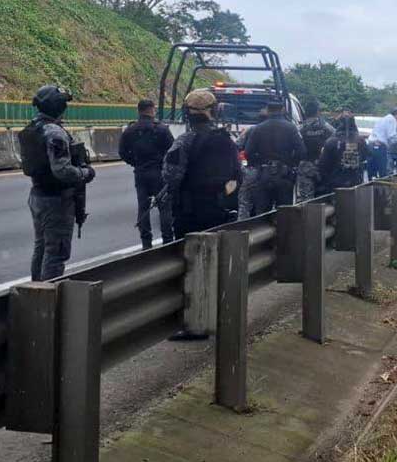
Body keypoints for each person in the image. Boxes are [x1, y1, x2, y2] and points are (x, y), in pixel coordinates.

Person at [160, 89, 240, 341]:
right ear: (213, 112)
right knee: (217, 264)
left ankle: (195, 322)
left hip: (191, 213)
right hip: (221, 211)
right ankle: (220, 315)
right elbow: (239, 174)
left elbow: (171, 176)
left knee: (192, 267)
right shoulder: (227, 140)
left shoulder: (185, 142)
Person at [18, 84, 96, 281]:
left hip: (37, 195)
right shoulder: (55, 133)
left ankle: (35, 291)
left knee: (42, 247)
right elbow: (62, 170)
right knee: (56, 252)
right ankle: (48, 298)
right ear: (58, 107)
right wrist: (85, 173)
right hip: (56, 200)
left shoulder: (32, 128)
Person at [119, 99, 175, 249]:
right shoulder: (162, 129)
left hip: (141, 172)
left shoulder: (130, 130)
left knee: (143, 207)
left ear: (138, 111)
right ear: (152, 110)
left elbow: (122, 152)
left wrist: (134, 163)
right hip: (159, 173)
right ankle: (167, 240)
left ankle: (146, 243)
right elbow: (173, 152)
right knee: (164, 207)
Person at [244, 99, 303, 212]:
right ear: (282, 110)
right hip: (285, 175)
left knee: (262, 215)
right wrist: (290, 164)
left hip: (264, 174)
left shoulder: (258, 128)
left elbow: (248, 153)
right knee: (285, 214)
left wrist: (259, 163)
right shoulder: (290, 127)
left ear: (267, 110)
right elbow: (302, 151)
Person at [316, 114, 368, 194]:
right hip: (356, 183)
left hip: (334, 185)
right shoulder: (361, 141)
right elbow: (366, 156)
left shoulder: (331, 142)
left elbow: (322, 165)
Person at [296, 99, 333, 201]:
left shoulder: (300, 129)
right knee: (324, 199)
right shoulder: (326, 127)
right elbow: (335, 141)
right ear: (318, 112)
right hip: (323, 166)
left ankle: (307, 216)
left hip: (305, 166)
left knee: (306, 200)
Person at [367, 108, 397, 178]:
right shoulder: (392, 120)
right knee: (383, 171)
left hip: (371, 145)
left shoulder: (382, 119)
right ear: (396, 115)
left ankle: (370, 186)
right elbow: (392, 135)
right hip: (380, 146)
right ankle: (383, 187)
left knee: (372, 170)